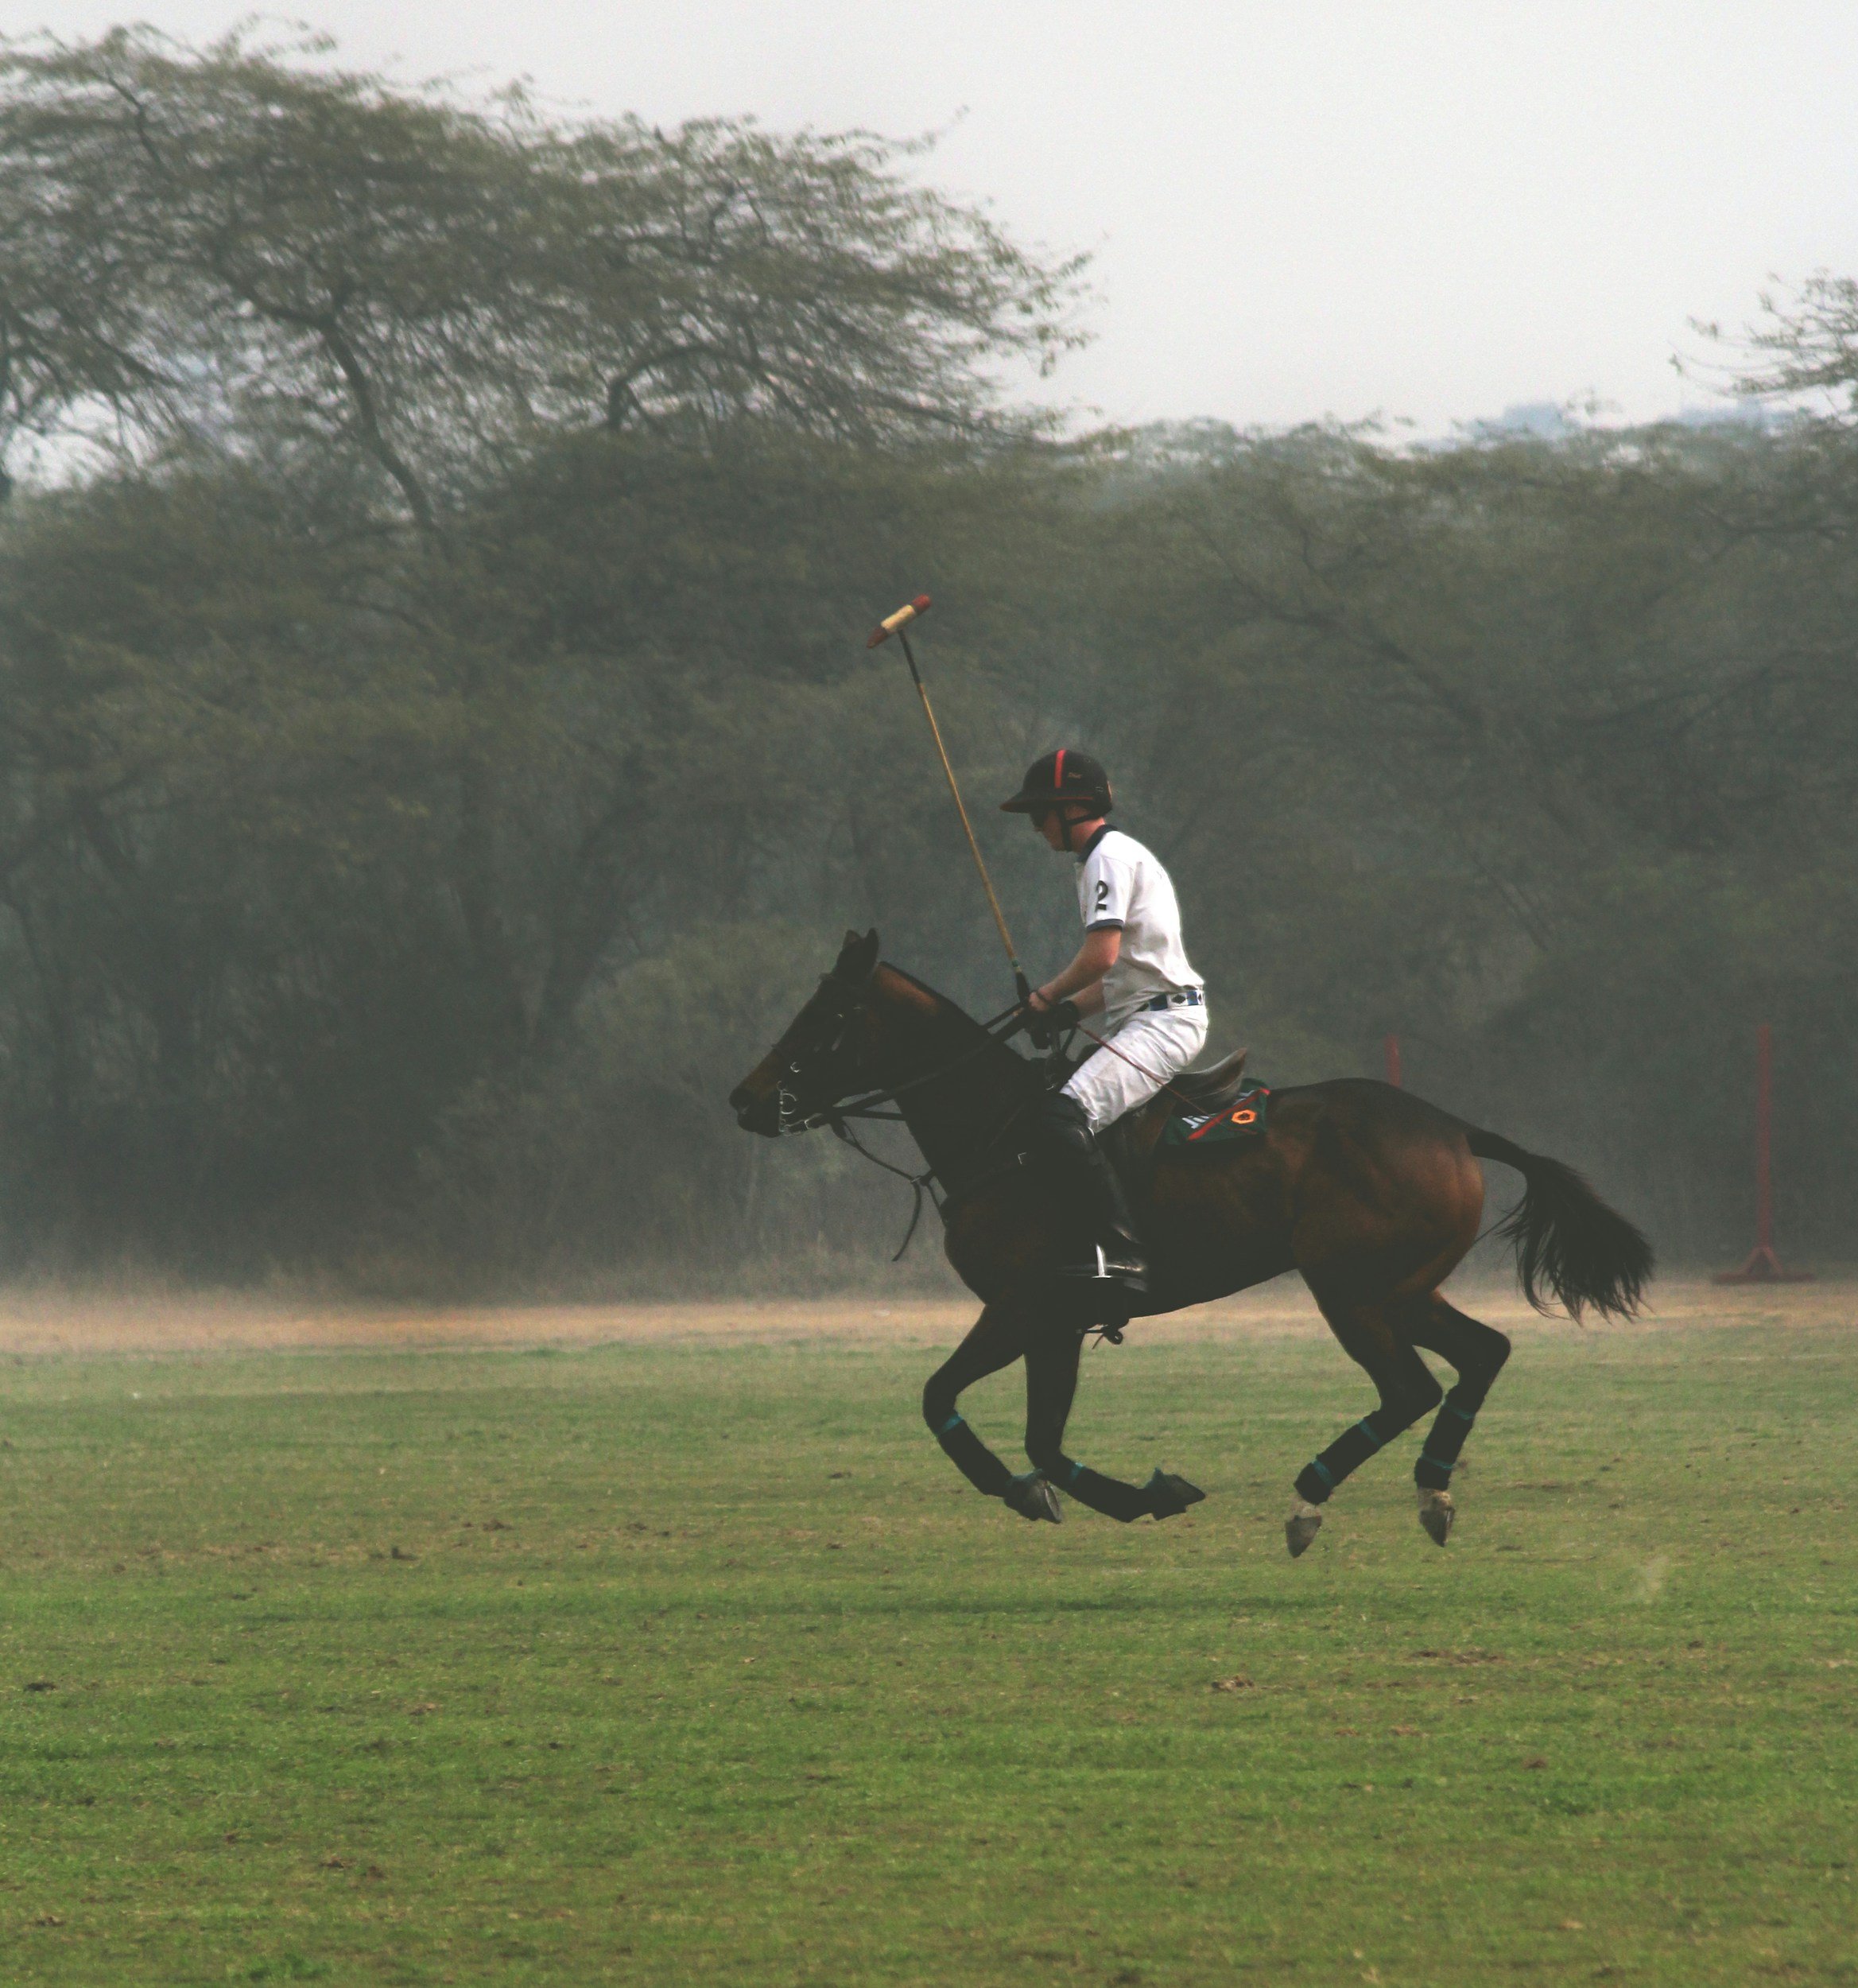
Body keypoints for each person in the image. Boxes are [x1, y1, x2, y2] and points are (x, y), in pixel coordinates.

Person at [999, 748, 1208, 1305]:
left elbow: (1101, 957)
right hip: (1146, 1013)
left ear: (1071, 807)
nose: (1034, 824)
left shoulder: (1105, 859)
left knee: (1062, 1116)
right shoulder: (1105, 858)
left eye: (1040, 811)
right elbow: (1119, 977)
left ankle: (1120, 1252)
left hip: (1162, 1023)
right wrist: (1062, 1013)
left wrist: (1046, 995)